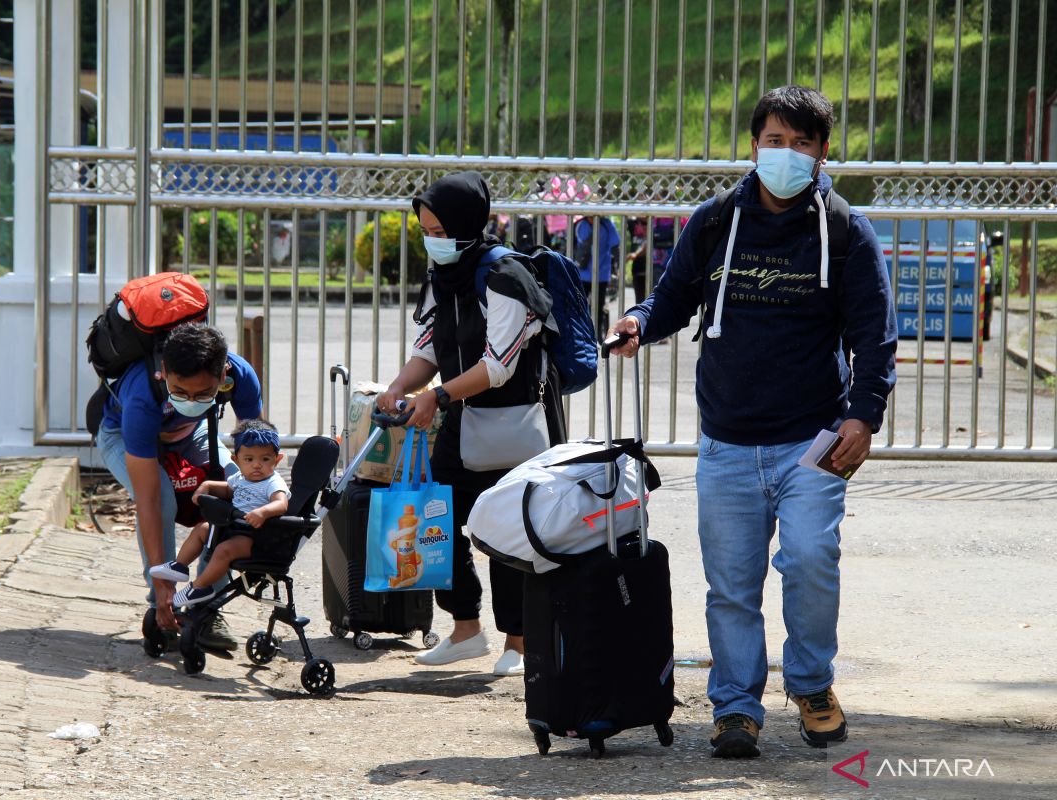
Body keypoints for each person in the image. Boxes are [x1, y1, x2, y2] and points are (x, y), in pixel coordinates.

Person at [609, 86, 896, 758]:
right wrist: (638, 323)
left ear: (824, 153)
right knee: (731, 585)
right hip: (727, 441)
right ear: (753, 145)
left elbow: (874, 336)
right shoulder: (715, 222)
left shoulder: (847, 232)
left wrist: (865, 417)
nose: (786, 154)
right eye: (774, 140)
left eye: (802, 143)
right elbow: (672, 298)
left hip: (815, 439)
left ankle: (812, 684)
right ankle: (736, 707)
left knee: (810, 558)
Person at [378, 170, 566, 677]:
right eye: (426, 231)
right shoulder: (445, 276)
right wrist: (399, 388)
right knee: (436, 521)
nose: (433, 241)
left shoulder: (503, 276)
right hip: (464, 420)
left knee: (508, 531)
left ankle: (519, 642)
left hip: (516, 425)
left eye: (441, 231)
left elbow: (499, 364)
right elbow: (428, 348)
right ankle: (464, 629)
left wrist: (435, 396)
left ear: (468, 223)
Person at [96, 323, 263, 651]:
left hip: (191, 432)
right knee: (163, 498)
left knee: (235, 490)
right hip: (123, 435)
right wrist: (162, 587)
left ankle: (207, 604)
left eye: (203, 394)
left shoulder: (240, 376)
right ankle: (162, 601)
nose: (191, 399)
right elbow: (149, 500)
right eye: (180, 392)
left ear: (223, 374)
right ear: (163, 372)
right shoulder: (142, 395)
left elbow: (258, 450)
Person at [148, 419, 289, 607]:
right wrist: (206, 486)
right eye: (249, 459)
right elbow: (228, 490)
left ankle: (200, 587)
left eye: (265, 459)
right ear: (236, 460)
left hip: (257, 537)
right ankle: (180, 565)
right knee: (202, 528)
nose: (257, 465)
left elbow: (282, 504)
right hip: (235, 528)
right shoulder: (240, 477)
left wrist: (263, 512)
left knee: (224, 550)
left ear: (277, 459)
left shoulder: (272, 482)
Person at [573, 213, 621, 336]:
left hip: (601, 272)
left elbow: (616, 246)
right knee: (580, 304)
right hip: (582, 273)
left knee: (599, 305)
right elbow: (574, 247)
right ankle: (581, 333)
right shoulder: (580, 225)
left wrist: (617, 267)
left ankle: (597, 334)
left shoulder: (607, 224)